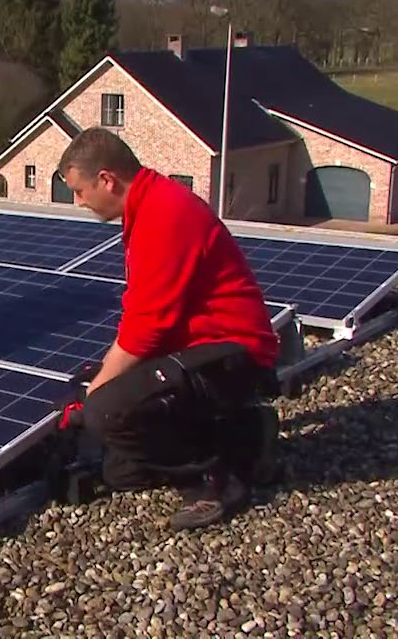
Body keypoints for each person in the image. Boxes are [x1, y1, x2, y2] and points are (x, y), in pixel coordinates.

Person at [55, 128, 282, 530]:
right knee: (118, 470)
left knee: (106, 409)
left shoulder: (164, 213)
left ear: (107, 179)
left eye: (80, 190)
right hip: (195, 349)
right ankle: (245, 434)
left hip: (234, 353)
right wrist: (96, 382)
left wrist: (99, 395)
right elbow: (139, 316)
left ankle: (215, 480)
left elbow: (147, 328)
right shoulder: (146, 208)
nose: (79, 201)